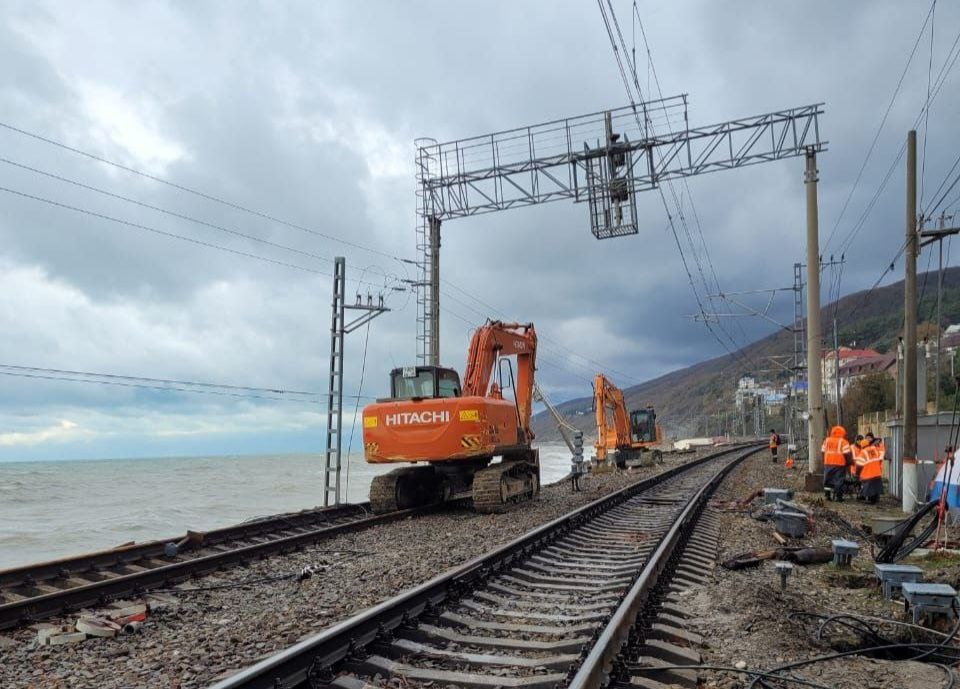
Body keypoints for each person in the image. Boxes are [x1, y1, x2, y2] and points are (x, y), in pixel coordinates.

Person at [822, 425, 853, 501]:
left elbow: (822, 452)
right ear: (843, 433)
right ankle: (838, 497)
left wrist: (824, 461)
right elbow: (847, 454)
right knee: (839, 480)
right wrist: (849, 463)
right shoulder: (844, 442)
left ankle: (827, 495)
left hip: (828, 463)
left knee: (828, 480)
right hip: (839, 464)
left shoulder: (827, 440)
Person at [860, 434, 884, 504]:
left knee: (870, 486)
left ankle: (872, 500)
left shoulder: (864, 451)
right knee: (876, 485)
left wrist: (858, 473)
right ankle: (875, 499)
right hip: (877, 469)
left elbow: (860, 464)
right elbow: (879, 457)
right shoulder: (874, 448)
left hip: (869, 471)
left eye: (869, 438)